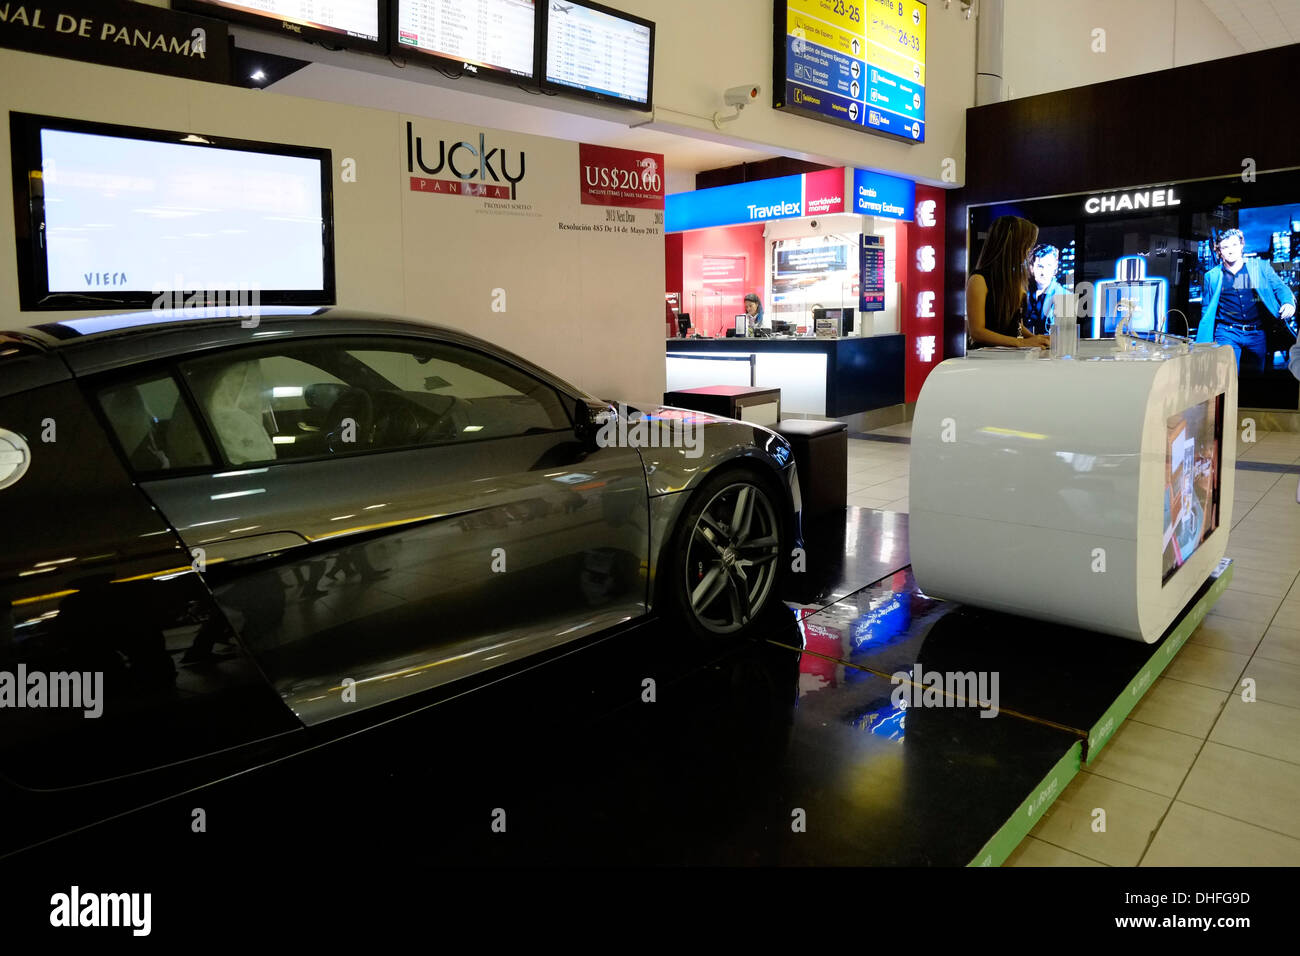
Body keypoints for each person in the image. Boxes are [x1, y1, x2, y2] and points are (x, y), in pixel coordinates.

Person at [1195, 229, 1297, 373]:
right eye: (1225, 247)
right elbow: (1206, 308)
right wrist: (1204, 339)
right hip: (1227, 332)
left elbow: (1280, 287)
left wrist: (1288, 302)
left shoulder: (1259, 267)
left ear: (1242, 245)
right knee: (1227, 377)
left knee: (1256, 378)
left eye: (1234, 245)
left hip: (1257, 333)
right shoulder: (1211, 276)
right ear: (1219, 251)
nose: (1231, 251)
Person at [966, 215, 1050, 349]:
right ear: (1013, 246)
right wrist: (1022, 342)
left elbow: (1015, 325)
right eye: (1027, 246)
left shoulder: (1014, 280)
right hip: (986, 361)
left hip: (1011, 358)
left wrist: (1035, 339)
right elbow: (977, 332)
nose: (1028, 252)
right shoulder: (979, 280)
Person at [1023, 244, 1067, 335]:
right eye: (1040, 266)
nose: (1044, 272)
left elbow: (1064, 336)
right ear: (1032, 268)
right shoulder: (1021, 292)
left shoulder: (1065, 296)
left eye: (1049, 266)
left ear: (1055, 269)